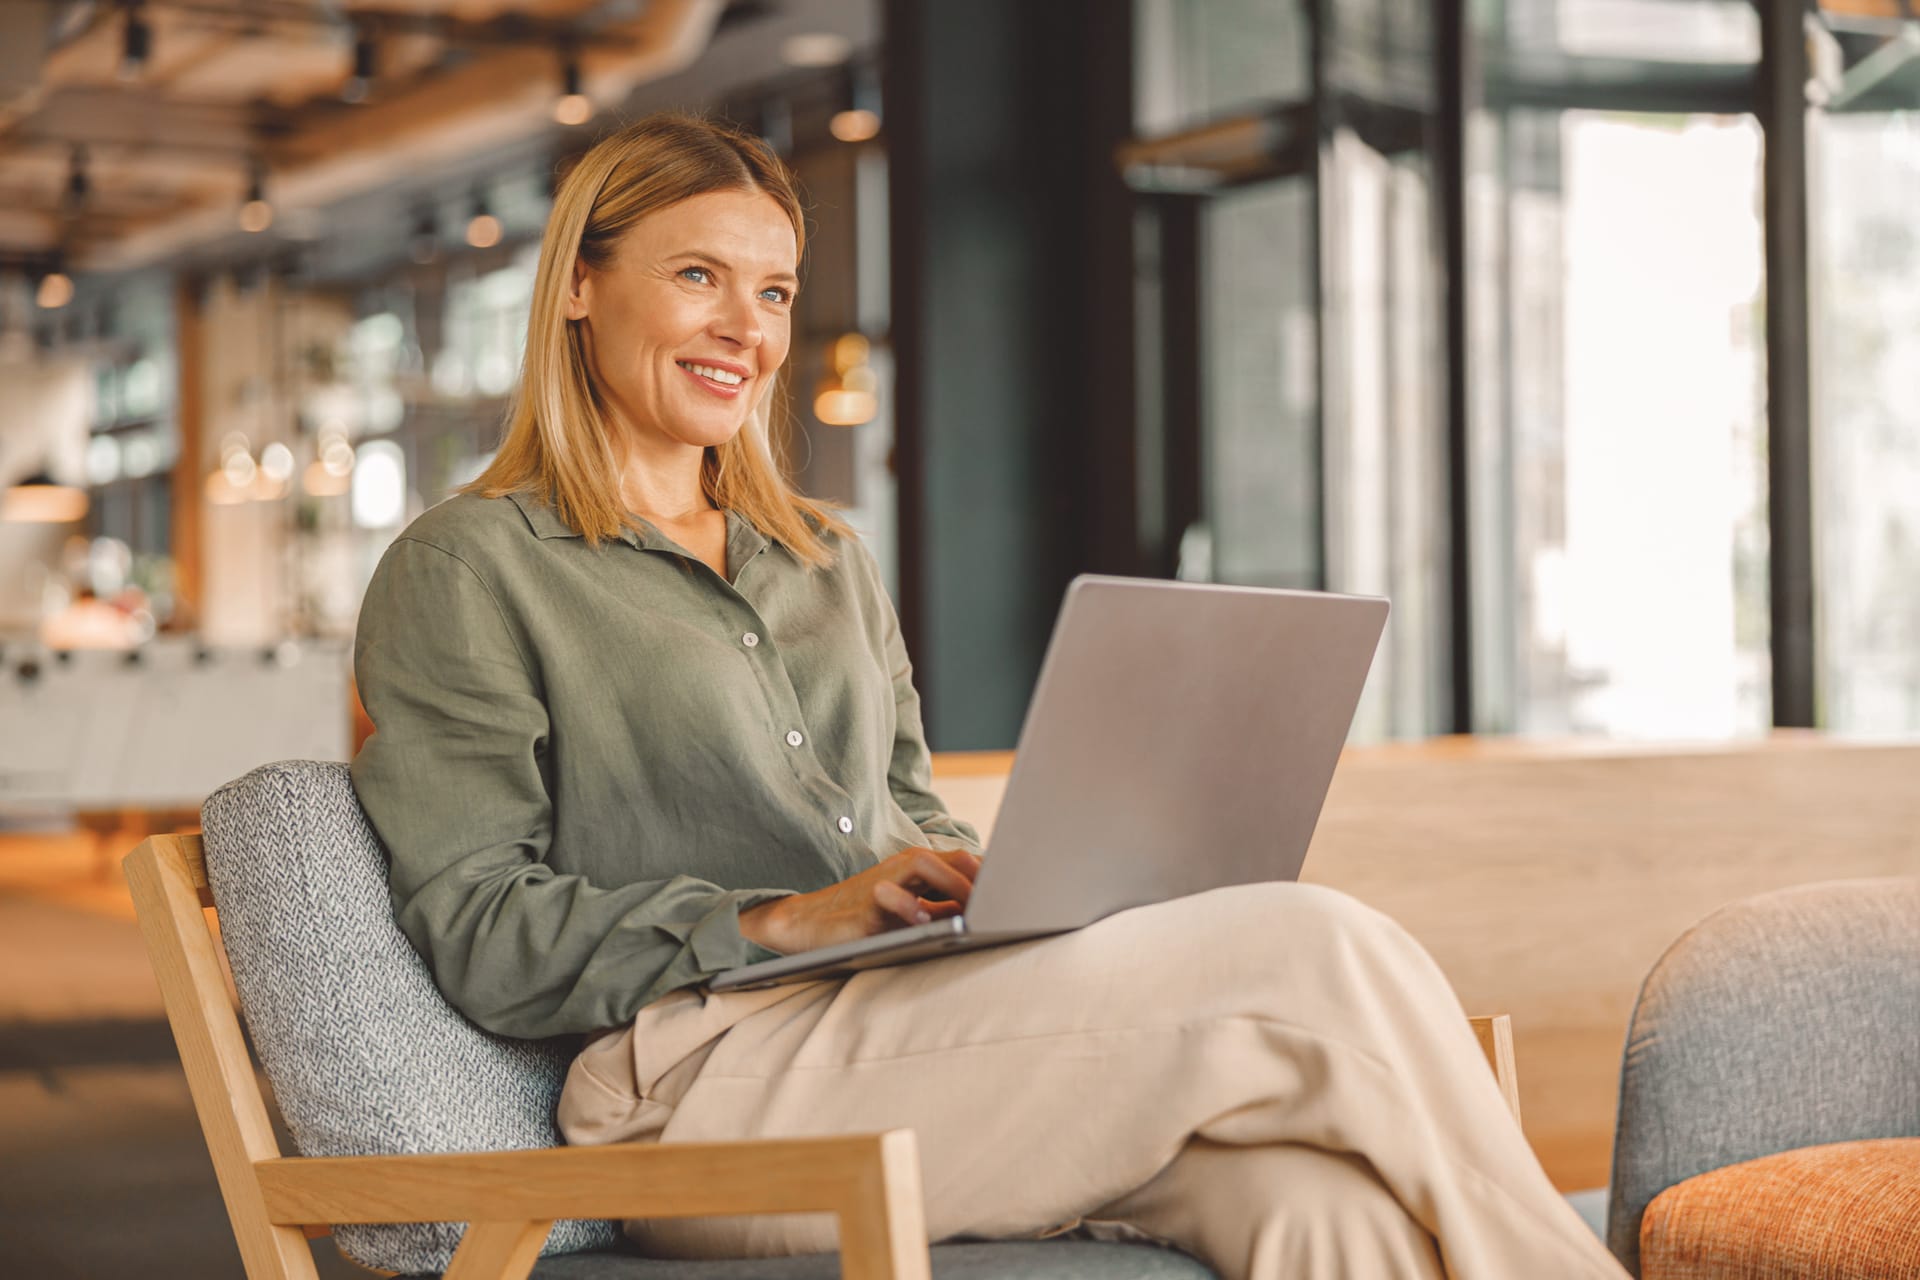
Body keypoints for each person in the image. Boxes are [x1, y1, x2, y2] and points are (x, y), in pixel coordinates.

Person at [349, 113, 1627, 1280]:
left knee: (1316, 1207)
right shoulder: (469, 568)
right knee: (1312, 944)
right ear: (580, 284)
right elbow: (478, 928)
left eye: (776, 290)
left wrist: (999, 893)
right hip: (699, 1089)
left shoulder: (822, 559)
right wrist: (782, 919)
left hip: (911, 1023)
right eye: (699, 276)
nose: (748, 326)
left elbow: (908, 813)